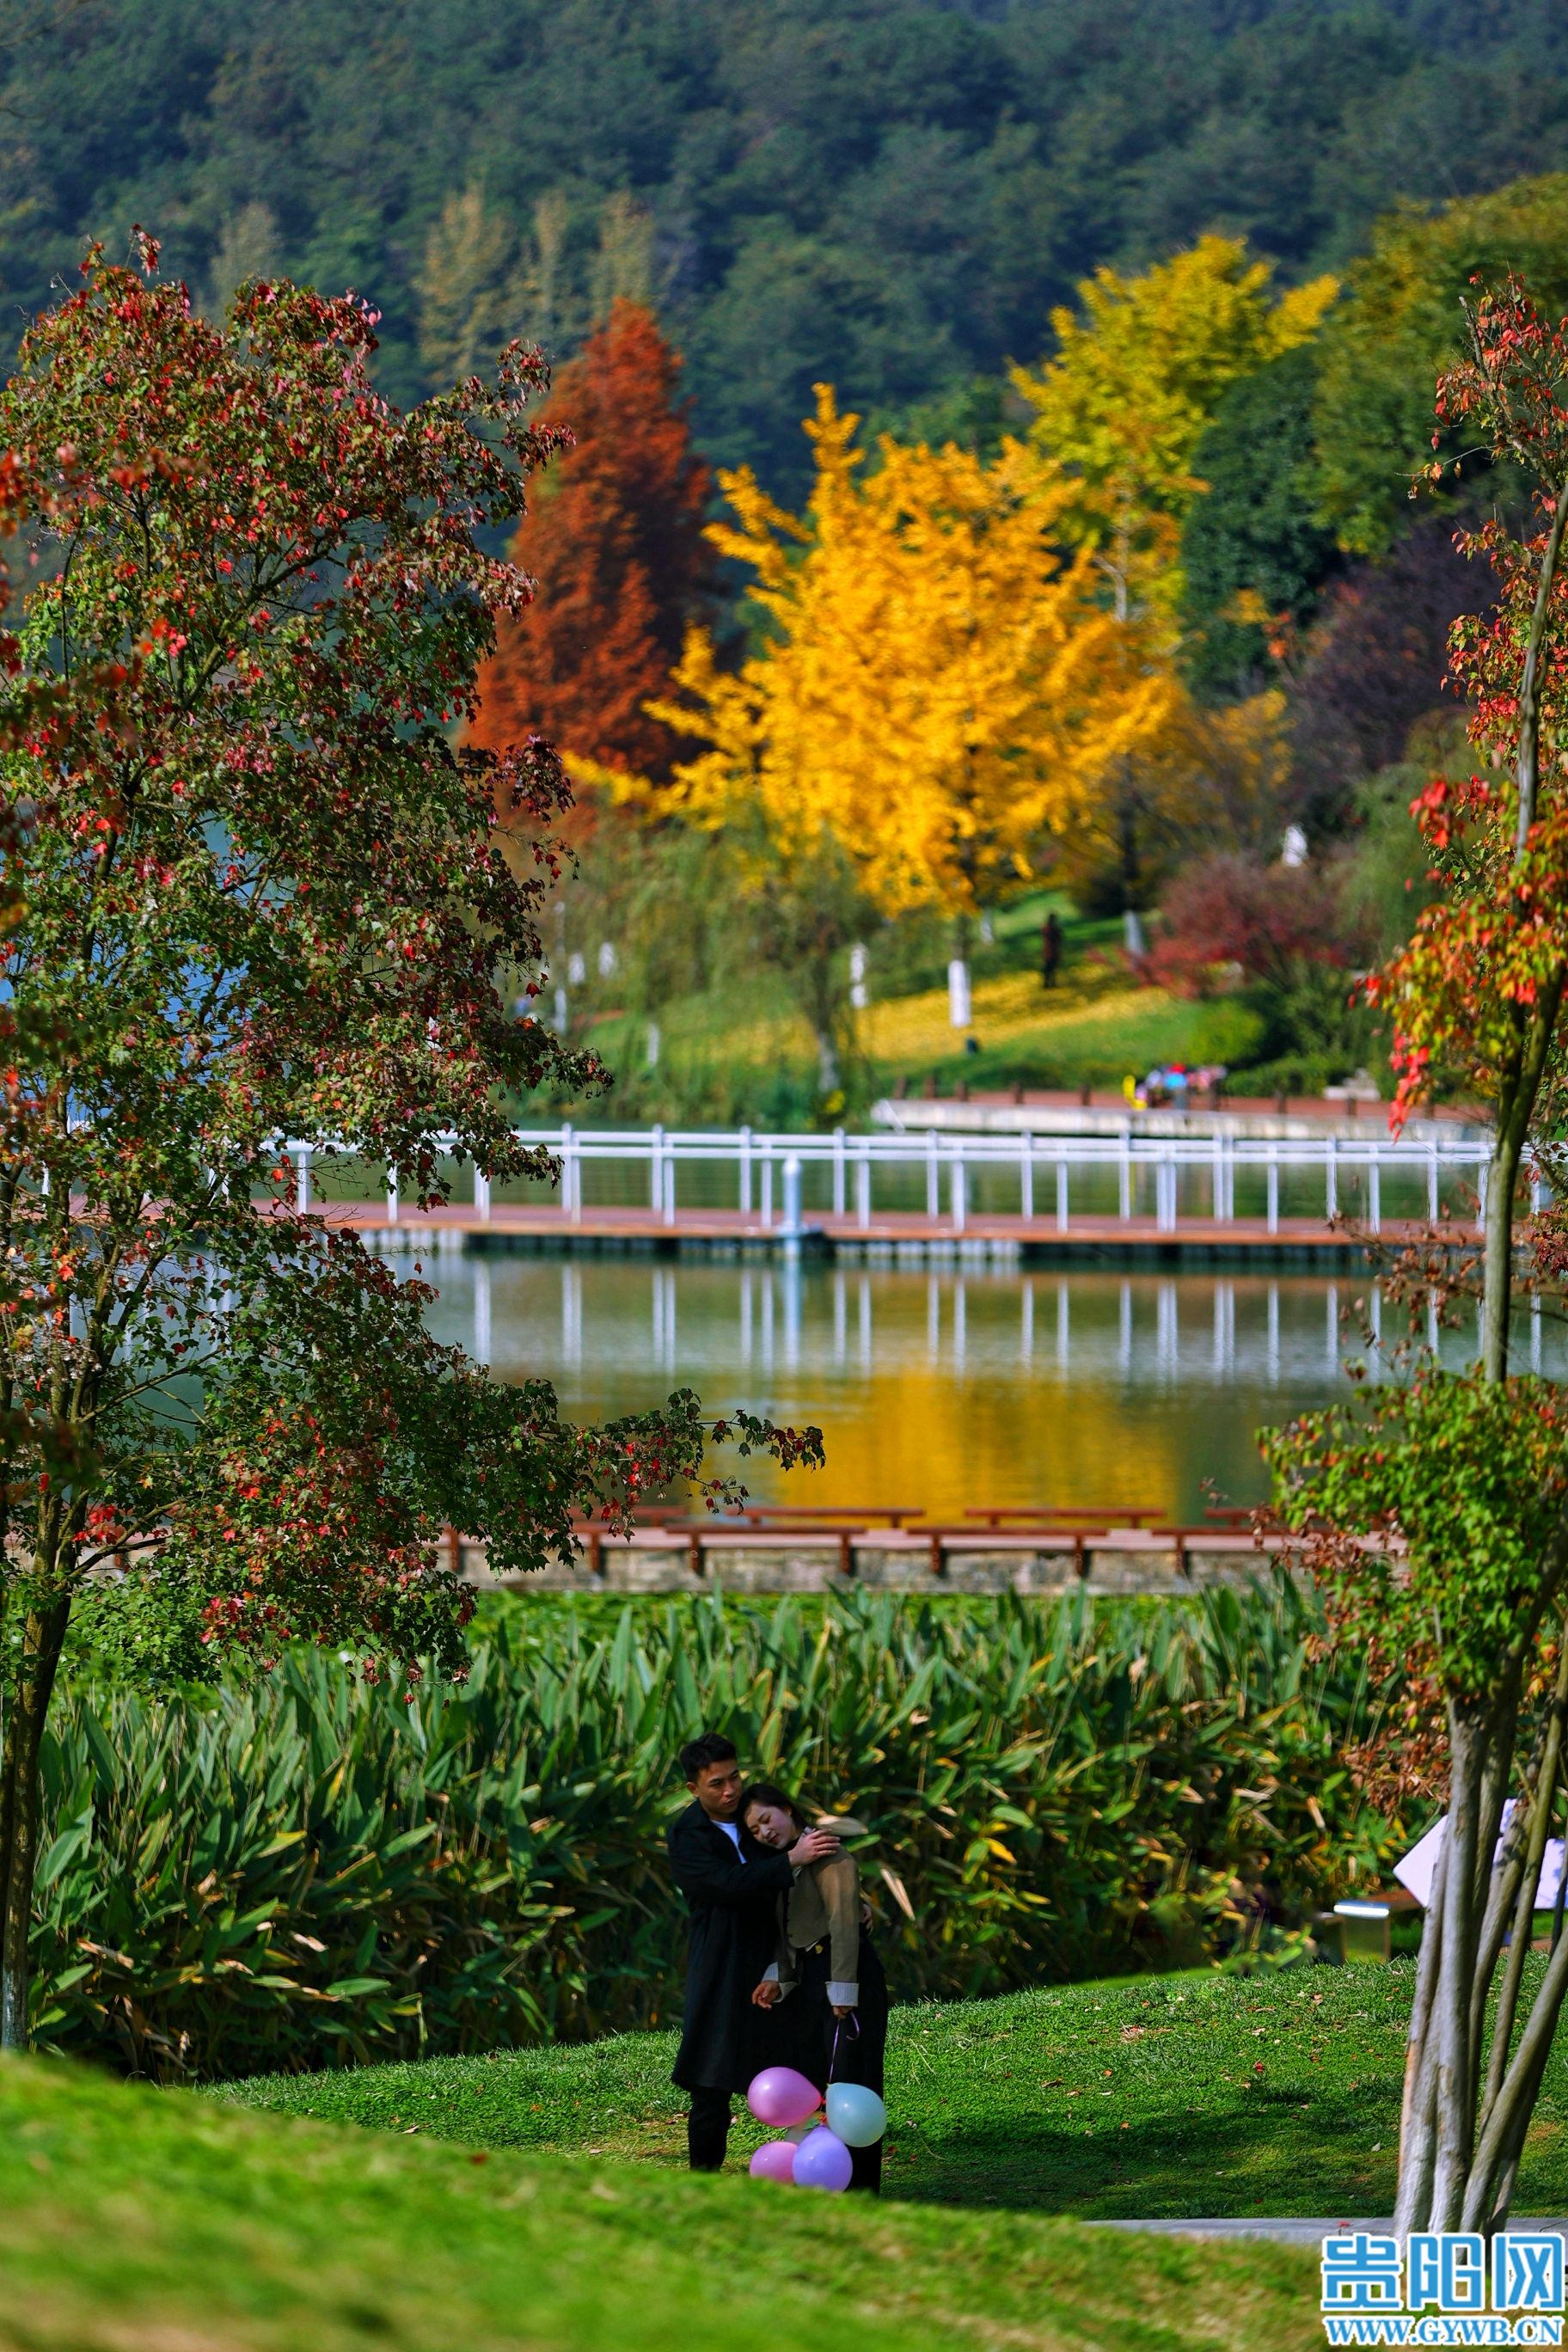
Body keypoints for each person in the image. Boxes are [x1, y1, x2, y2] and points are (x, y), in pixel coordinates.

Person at [666, 1731, 840, 2172]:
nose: (729, 1791)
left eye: (734, 1778)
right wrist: (788, 1863)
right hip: (721, 1969)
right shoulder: (686, 1835)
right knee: (712, 2084)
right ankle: (701, 2182)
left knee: (807, 2068)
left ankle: (819, 2168)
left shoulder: (753, 1815)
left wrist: (849, 1897)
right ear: (693, 1789)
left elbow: (808, 1853)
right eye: (716, 1784)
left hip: (783, 1960)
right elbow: (723, 1885)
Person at [742, 1779, 889, 2195]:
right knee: (814, 2084)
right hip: (810, 1982)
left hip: (847, 1978)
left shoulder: (828, 1853)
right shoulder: (789, 1865)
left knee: (852, 2084)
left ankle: (861, 2190)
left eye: (767, 1819)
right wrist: (777, 1979)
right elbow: (790, 1934)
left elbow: (844, 1926)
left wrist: (843, 1991)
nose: (765, 1832)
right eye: (755, 1830)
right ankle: (821, 2182)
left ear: (787, 1809)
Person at [1041, 910, 1063, 989]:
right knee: (1049, 968)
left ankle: (1050, 983)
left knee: (1051, 968)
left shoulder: (1048, 928)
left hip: (1050, 950)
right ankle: (1048, 983)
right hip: (1051, 950)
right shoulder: (1051, 929)